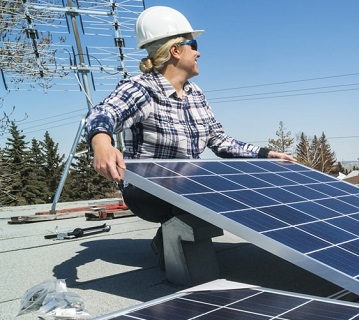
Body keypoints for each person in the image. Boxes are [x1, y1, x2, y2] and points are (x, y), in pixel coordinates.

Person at [85, 6, 295, 268]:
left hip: (187, 184)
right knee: (205, 188)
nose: (198, 52)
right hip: (146, 190)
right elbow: (102, 113)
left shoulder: (195, 94)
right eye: (192, 44)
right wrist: (101, 142)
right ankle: (170, 246)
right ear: (175, 50)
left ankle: (171, 237)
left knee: (230, 185)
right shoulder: (141, 89)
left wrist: (266, 155)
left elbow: (220, 141)